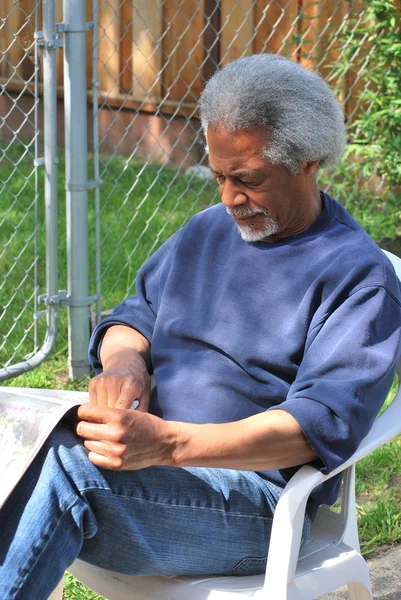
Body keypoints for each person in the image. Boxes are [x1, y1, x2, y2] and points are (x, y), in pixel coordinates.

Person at [1, 53, 401, 600]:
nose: (230, 198)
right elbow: (130, 318)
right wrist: (125, 365)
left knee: (62, 470)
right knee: (19, 443)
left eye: (248, 179)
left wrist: (168, 445)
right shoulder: (207, 231)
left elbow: (314, 427)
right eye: (218, 176)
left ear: (308, 160)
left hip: (254, 505)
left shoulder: (358, 277)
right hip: (151, 478)